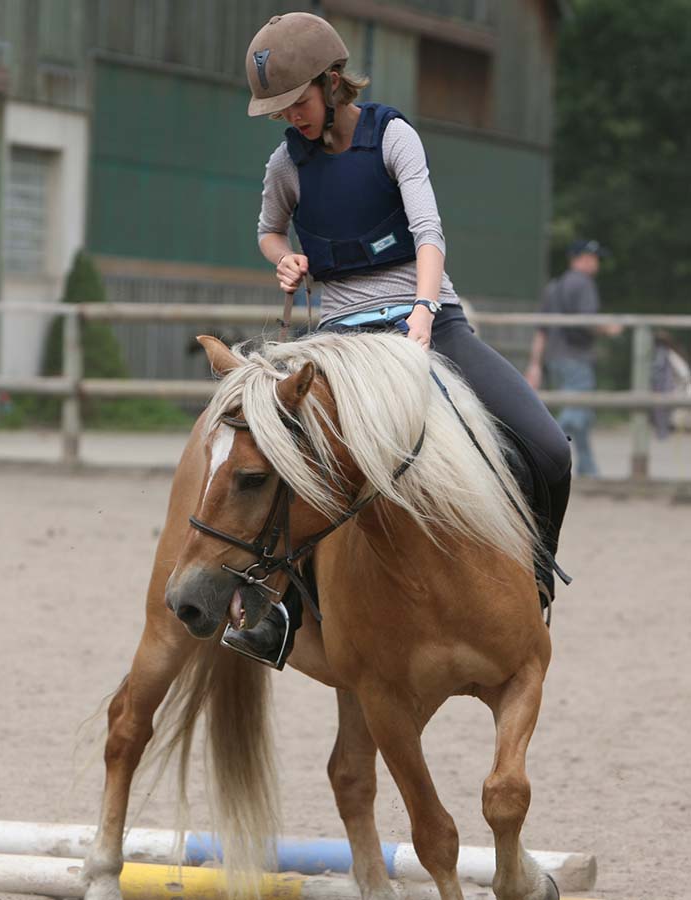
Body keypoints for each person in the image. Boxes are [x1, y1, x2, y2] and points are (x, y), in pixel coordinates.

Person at [224, 12, 572, 668]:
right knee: (282, 461)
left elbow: (429, 232)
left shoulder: (393, 138)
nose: (289, 118)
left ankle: (533, 579)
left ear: (332, 83)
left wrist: (420, 310)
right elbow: (269, 228)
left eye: (295, 102)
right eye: (278, 110)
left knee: (549, 448)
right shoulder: (284, 164)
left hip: (427, 323)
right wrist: (284, 258)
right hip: (340, 343)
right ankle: (276, 613)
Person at [526, 240, 621, 477]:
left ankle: (588, 469)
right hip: (576, 357)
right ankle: (543, 449)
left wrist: (535, 364)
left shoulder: (554, 286)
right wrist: (609, 328)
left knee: (583, 417)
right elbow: (588, 321)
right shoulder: (584, 284)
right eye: (594, 258)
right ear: (582, 258)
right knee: (576, 412)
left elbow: (541, 330)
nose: (596, 263)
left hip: (555, 358)